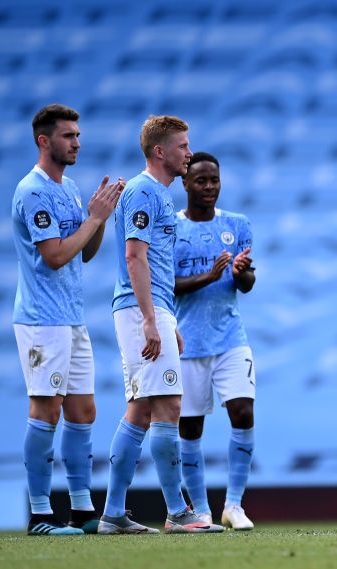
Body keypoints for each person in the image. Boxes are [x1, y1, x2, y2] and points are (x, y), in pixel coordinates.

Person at [98, 115, 223, 534]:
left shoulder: (160, 195)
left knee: (140, 412)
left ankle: (114, 514)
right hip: (139, 309)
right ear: (160, 151)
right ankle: (177, 512)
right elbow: (135, 257)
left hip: (151, 309)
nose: (189, 152)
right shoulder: (143, 192)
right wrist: (152, 320)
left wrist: (165, 317)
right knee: (169, 406)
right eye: (184, 146)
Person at [12, 104, 124, 535]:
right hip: (42, 320)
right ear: (44, 140)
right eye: (68, 136)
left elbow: (84, 251)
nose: (77, 142)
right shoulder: (33, 190)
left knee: (83, 410)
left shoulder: (70, 188)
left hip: (71, 318)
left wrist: (100, 218)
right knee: (47, 410)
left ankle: (81, 509)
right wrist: (94, 217)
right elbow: (55, 255)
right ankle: (40, 514)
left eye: (78, 135)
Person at [173, 152, 257, 530]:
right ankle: (202, 511)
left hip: (230, 338)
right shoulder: (170, 230)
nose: (209, 187)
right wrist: (210, 275)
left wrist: (239, 273)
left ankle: (234, 505)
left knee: (243, 412)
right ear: (185, 183)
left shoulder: (237, 225)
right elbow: (167, 286)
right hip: (187, 343)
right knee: (190, 429)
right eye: (201, 180)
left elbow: (247, 284)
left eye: (215, 180)